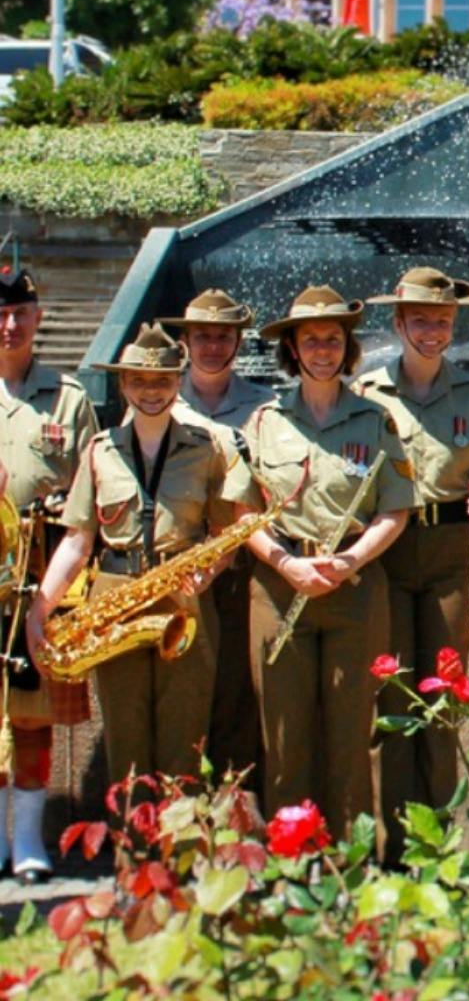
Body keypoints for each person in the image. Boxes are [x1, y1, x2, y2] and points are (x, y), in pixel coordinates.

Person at [222, 285, 414, 840]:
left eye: (333, 339)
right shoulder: (264, 423)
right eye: (312, 340)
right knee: (285, 736)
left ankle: (350, 863)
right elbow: (242, 513)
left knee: (352, 733)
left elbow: (394, 512)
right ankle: (292, 861)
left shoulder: (376, 421)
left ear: (347, 348)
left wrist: (350, 558)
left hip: (352, 588)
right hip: (281, 590)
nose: (323, 349)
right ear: (294, 349)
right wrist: (286, 565)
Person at [29, 325, 236, 785]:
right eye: (139, 381)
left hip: (184, 597)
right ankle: (131, 854)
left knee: (185, 739)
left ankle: (177, 852)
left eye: (161, 380)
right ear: (122, 385)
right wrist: (40, 608)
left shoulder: (206, 450)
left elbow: (225, 532)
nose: (150, 391)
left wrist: (208, 569)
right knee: (125, 741)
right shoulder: (100, 451)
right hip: (116, 599)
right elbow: (79, 541)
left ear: (177, 383)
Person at [358, 268, 469, 860]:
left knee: (443, 698)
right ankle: (391, 845)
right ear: (398, 323)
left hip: (445, 552)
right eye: (419, 320)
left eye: (441, 321)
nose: (432, 331)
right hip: (385, 555)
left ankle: (439, 842)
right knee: (390, 700)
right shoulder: (365, 395)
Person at [0, 265, 97, 883]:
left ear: (39, 318)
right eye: (0, 315)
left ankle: (28, 841)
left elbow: (91, 487)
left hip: (40, 575)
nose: (10, 326)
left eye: (20, 314)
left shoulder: (69, 399)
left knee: (32, 717)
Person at [159, 288, 277, 788]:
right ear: (184, 341)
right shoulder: (157, 397)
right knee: (181, 694)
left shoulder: (265, 405)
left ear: (238, 341)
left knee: (239, 691)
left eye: (223, 336)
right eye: (202, 335)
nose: (212, 346)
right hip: (182, 571)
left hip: (245, 568)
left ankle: (234, 807)